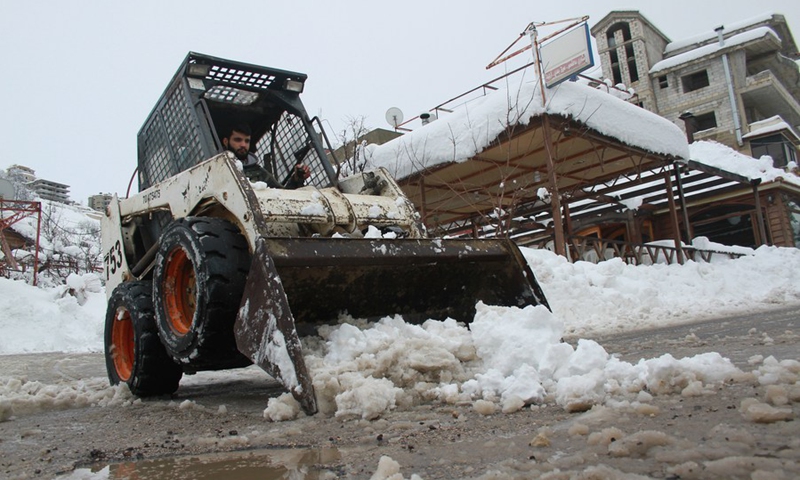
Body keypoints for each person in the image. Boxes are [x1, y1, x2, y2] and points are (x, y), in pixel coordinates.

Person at [221, 123, 310, 189]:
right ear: (226, 142)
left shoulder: (258, 172)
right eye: (238, 140)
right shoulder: (216, 167)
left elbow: (282, 195)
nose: (243, 145)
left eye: (247, 141)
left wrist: (296, 179)